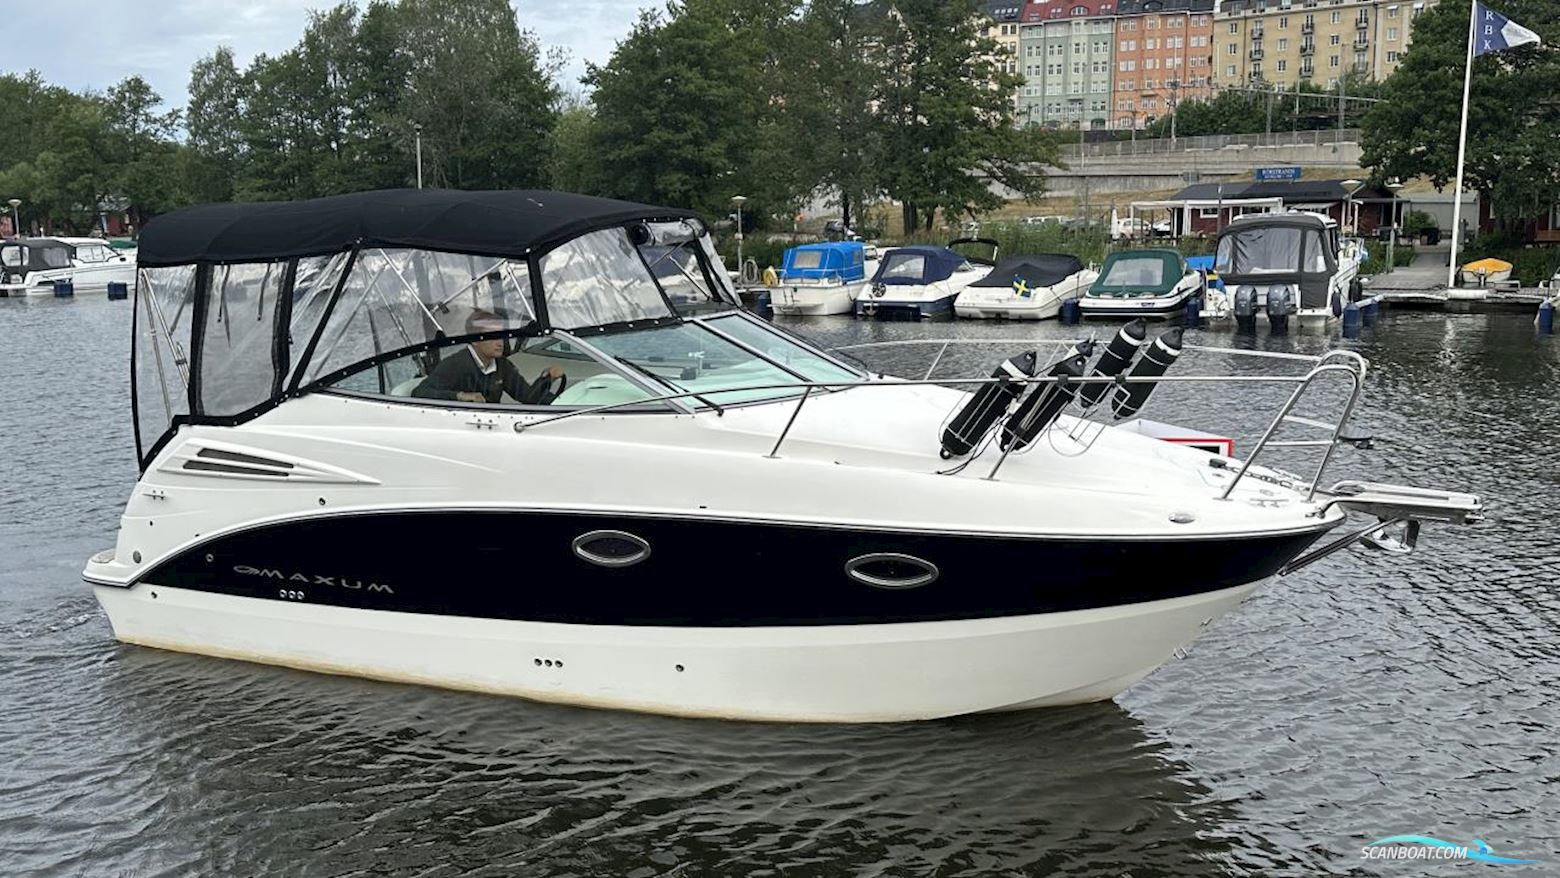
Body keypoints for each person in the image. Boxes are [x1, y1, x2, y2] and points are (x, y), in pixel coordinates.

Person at [412, 310, 563, 405]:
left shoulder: (501, 365)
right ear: (475, 340)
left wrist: (546, 379)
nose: (500, 342)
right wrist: (460, 396)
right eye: (493, 337)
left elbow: (527, 396)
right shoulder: (455, 364)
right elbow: (420, 393)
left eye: (501, 336)